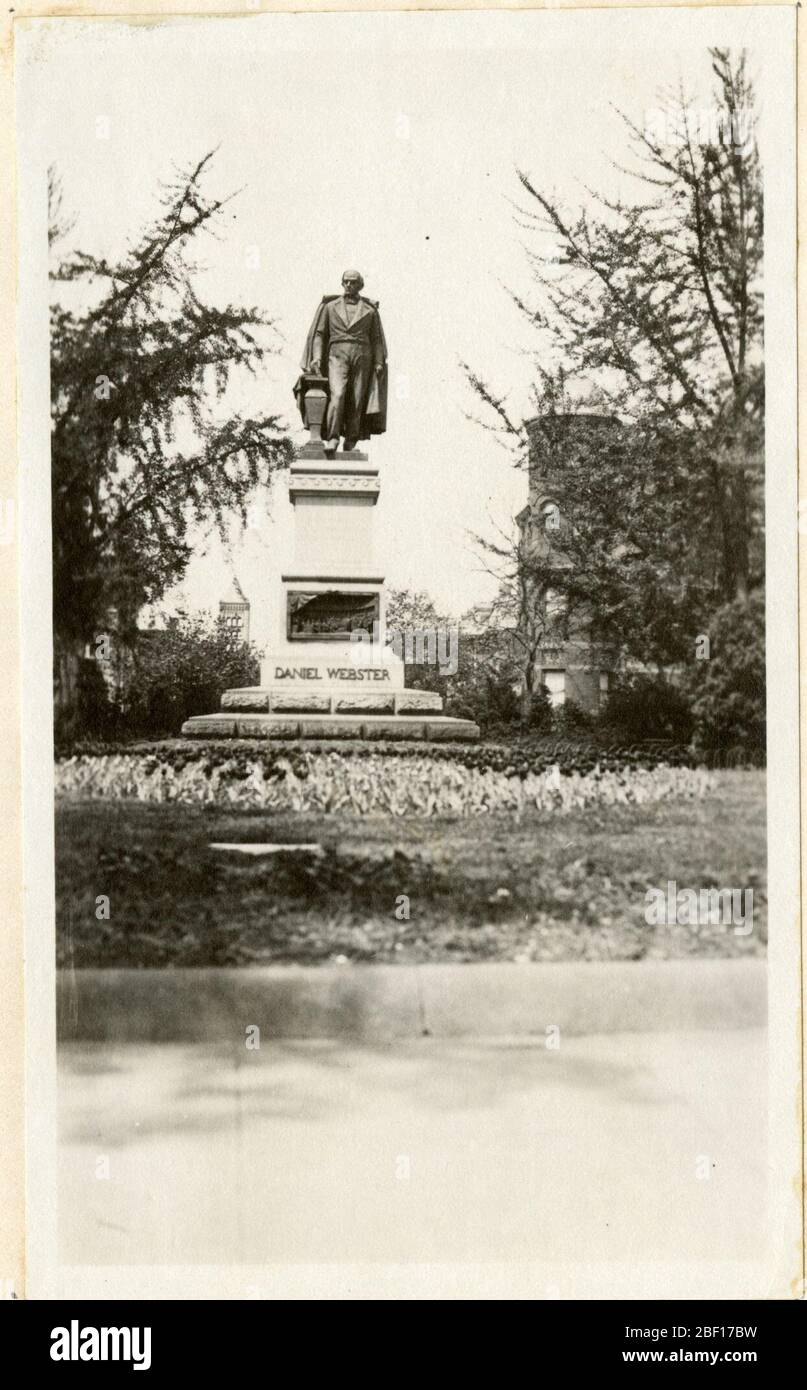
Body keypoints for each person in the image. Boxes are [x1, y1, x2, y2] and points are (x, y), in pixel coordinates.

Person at [299, 270, 388, 455]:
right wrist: (316, 357)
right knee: (337, 395)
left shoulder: (370, 310)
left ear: (360, 285)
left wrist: (379, 361)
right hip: (337, 354)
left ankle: (351, 441)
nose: (349, 285)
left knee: (357, 400)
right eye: (345, 282)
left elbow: (377, 338)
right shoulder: (330, 307)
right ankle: (333, 437)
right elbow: (319, 334)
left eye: (353, 282)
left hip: (363, 355)